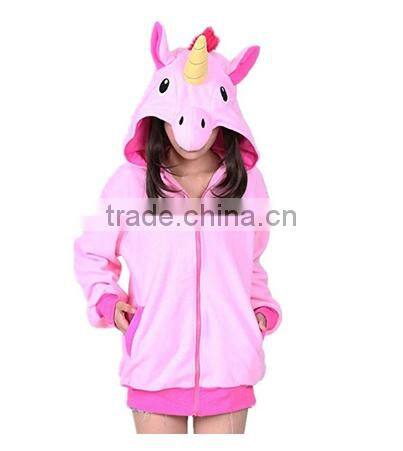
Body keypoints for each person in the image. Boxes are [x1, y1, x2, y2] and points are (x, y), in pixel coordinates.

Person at [74, 22, 281, 434]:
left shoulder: (246, 184)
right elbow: (92, 253)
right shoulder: (130, 183)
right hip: (155, 362)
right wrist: (108, 301)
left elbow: (250, 260)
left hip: (230, 364)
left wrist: (260, 307)